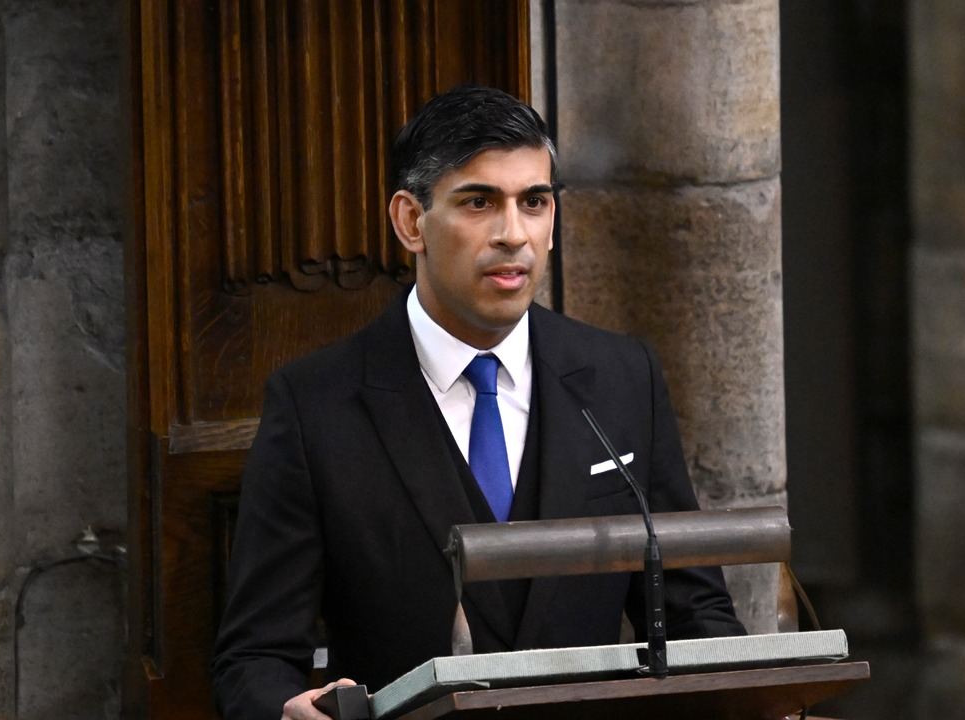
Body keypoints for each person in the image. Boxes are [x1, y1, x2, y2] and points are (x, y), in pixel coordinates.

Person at [212, 85, 745, 720]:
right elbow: (254, 659)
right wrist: (283, 711)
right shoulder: (314, 405)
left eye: (535, 202)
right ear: (411, 221)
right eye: (478, 202)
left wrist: (751, 694)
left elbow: (696, 611)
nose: (513, 234)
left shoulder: (622, 376)